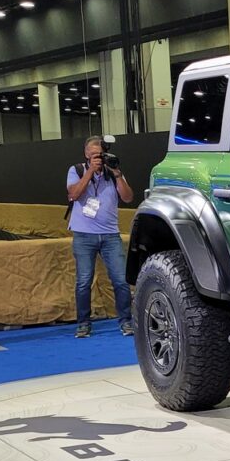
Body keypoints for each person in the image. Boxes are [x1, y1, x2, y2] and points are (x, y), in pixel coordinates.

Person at [66, 136, 135, 337]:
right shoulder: (76, 170)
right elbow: (74, 195)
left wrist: (118, 174)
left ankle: (126, 321)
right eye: (94, 154)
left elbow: (128, 197)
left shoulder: (113, 172)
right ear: (86, 154)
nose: (98, 158)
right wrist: (89, 172)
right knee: (83, 281)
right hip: (84, 235)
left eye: (101, 154)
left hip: (110, 235)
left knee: (121, 280)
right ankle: (83, 324)